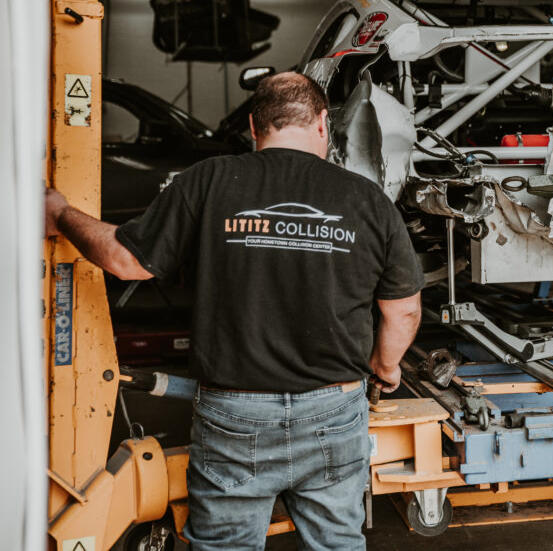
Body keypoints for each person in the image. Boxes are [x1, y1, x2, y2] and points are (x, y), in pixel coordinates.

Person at [45, 72, 424, 550]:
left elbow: (125, 260)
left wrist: (61, 213)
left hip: (235, 414)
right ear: (324, 124)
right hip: (334, 407)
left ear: (253, 126)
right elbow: (403, 310)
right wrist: (384, 368)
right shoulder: (368, 200)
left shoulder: (209, 179)